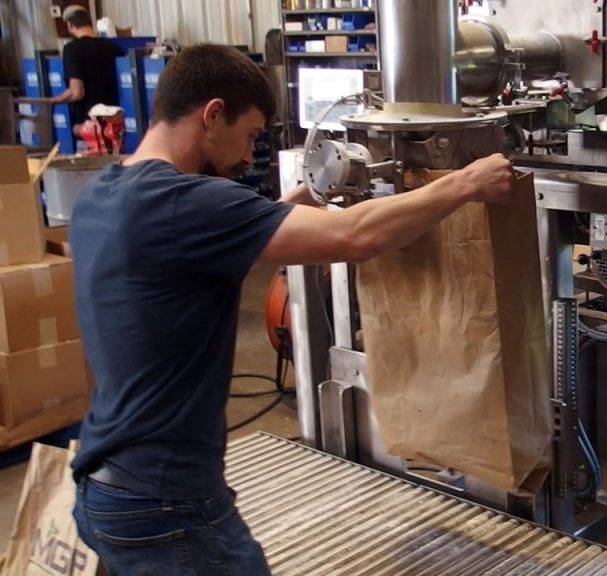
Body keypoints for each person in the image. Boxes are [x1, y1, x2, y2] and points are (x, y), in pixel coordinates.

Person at [69, 44, 515, 575]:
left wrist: (307, 194)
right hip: (168, 503)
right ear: (212, 115)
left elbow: (202, 245)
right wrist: (467, 182)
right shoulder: (186, 203)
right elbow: (355, 237)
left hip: (102, 483)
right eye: (251, 135)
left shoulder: (104, 195)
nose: (245, 155)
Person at [49, 6, 124, 136]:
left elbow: (77, 92)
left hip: (89, 126)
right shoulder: (114, 48)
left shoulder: (72, 49)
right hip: (115, 124)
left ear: (70, 25)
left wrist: (53, 100)